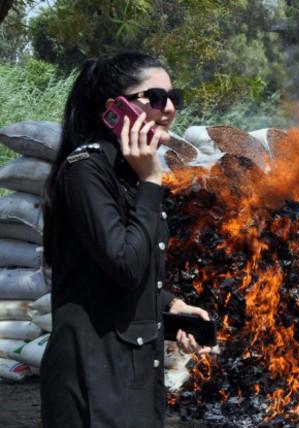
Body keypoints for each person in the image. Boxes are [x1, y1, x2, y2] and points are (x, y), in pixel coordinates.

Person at [39, 52, 211, 427]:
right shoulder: (85, 171)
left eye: (174, 99)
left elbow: (107, 269)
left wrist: (172, 306)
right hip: (92, 377)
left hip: (132, 373)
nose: (169, 110)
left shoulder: (128, 174)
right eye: (156, 98)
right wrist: (151, 182)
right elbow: (125, 265)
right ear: (115, 108)